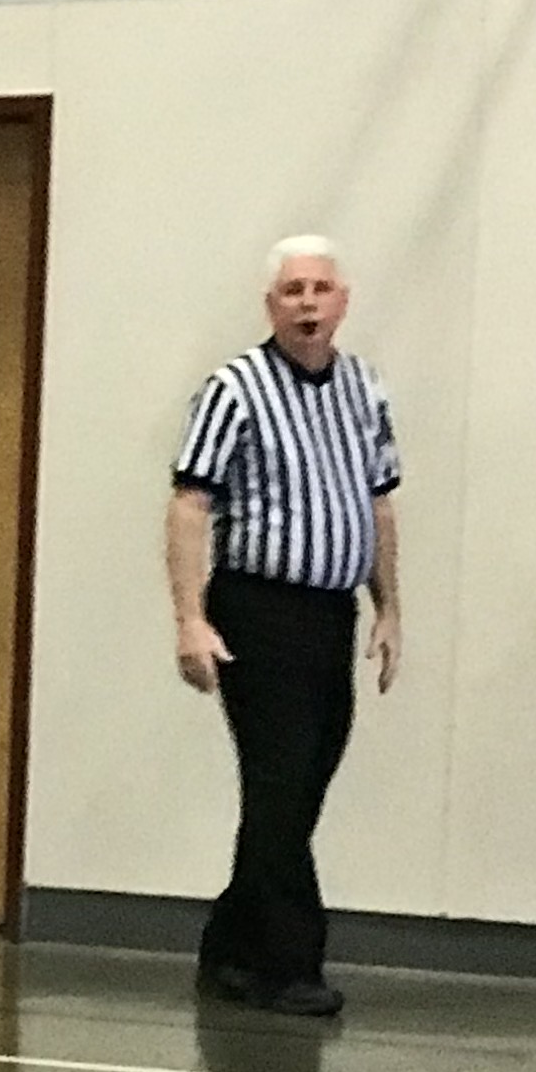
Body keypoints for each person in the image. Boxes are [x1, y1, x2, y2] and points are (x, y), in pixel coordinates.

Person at [171, 235, 401, 1019]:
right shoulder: (234, 389)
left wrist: (389, 607)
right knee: (276, 784)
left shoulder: (364, 390)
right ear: (272, 305)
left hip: (329, 613)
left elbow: (377, 504)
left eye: (320, 288)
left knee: (302, 787)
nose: (307, 303)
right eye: (292, 290)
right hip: (256, 610)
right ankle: (289, 964)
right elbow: (189, 504)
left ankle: (227, 946)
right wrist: (190, 620)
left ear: (343, 300)